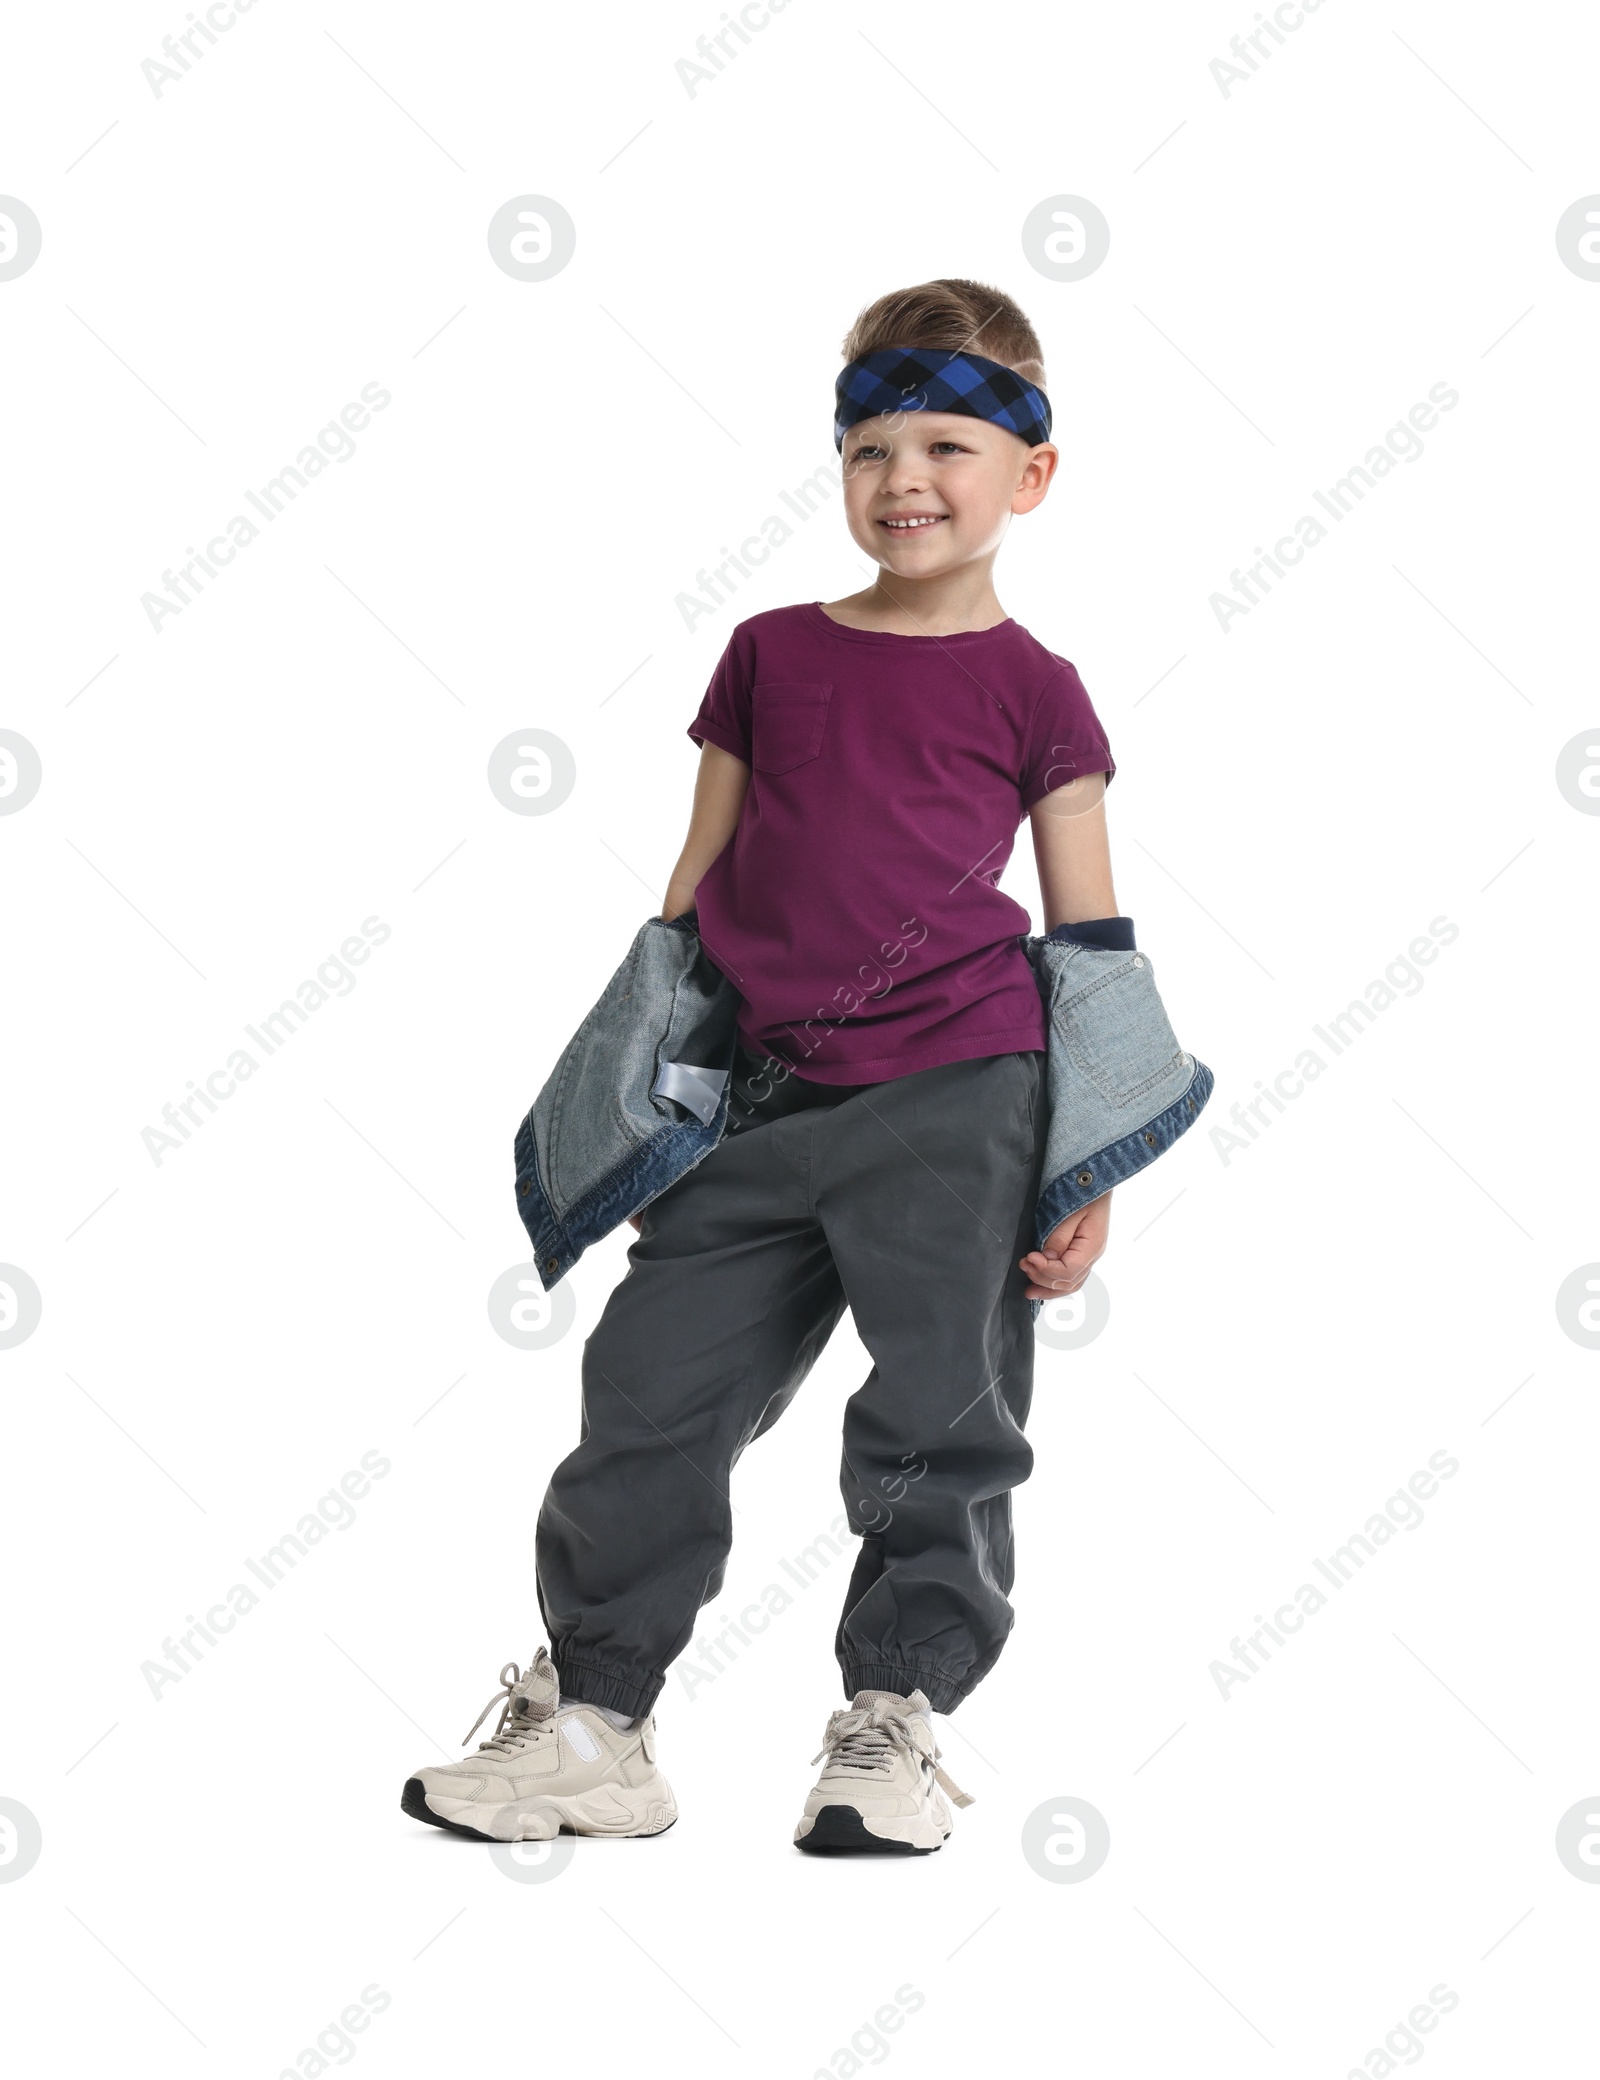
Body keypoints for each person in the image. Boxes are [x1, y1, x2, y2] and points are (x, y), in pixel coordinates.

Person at [404, 277, 1133, 1855]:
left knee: (945, 1409)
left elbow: (1090, 942)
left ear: (1033, 473)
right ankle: (597, 1720)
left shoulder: (1037, 692)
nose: (905, 482)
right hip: (753, 1099)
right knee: (648, 1397)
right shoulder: (768, 654)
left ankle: (892, 1720)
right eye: (870, 447)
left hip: (962, 1095)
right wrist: (636, 1090)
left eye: (947, 444)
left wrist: (1087, 1166)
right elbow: (692, 887)